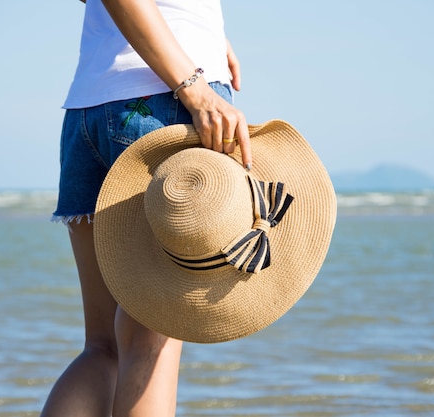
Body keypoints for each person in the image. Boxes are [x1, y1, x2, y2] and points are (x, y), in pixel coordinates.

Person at [43, 0, 252, 416]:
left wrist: (208, 32)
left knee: (102, 347)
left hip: (88, 108)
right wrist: (193, 82)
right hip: (166, 98)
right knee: (150, 343)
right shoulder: (185, 84)